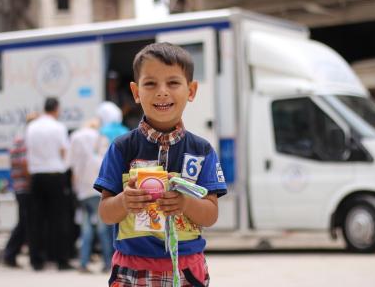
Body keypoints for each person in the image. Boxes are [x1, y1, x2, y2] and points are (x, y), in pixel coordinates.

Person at [94, 42, 227, 286]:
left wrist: (185, 202)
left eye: (173, 83)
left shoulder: (202, 151)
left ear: (191, 90)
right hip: (131, 270)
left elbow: (210, 215)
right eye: (150, 83)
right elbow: (105, 212)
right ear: (136, 91)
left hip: (187, 270)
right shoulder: (122, 148)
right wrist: (124, 201)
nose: (162, 92)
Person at [68, 102, 127, 274]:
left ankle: (83, 261)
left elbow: (72, 166)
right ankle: (109, 262)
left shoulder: (78, 137)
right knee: (104, 228)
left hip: (82, 190)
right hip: (98, 190)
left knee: (86, 228)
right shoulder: (109, 135)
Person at [25, 97, 71, 271]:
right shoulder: (58, 127)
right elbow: (64, 150)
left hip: (36, 176)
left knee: (36, 219)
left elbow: (29, 151)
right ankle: (60, 259)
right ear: (56, 109)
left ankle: (36, 260)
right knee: (59, 219)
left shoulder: (31, 127)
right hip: (55, 174)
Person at [3, 112, 38, 268]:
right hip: (24, 187)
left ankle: (11, 254)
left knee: (25, 221)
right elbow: (24, 165)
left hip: (19, 186)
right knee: (26, 222)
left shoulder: (19, 138)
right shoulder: (24, 140)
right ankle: (9, 253)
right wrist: (33, 183)